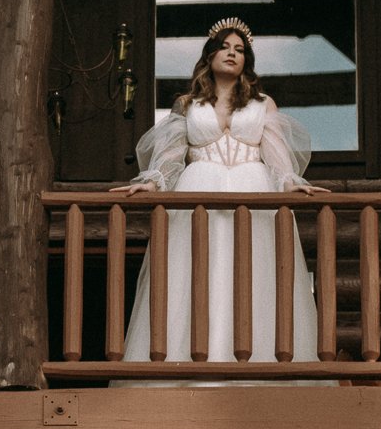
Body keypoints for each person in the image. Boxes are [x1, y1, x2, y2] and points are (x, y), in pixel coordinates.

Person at [117, 20, 328, 370]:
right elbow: (170, 158)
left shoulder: (262, 104)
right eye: (226, 47)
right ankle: (190, 367)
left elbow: (277, 157)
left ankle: (259, 369)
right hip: (198, 191)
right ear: (210, 54)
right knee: (196, 276)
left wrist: (292, 184)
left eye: (240, 50)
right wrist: (152, 182)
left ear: (247, 61)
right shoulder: (187, 104)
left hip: (254, 192)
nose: (233, 53)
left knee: (256, 277)